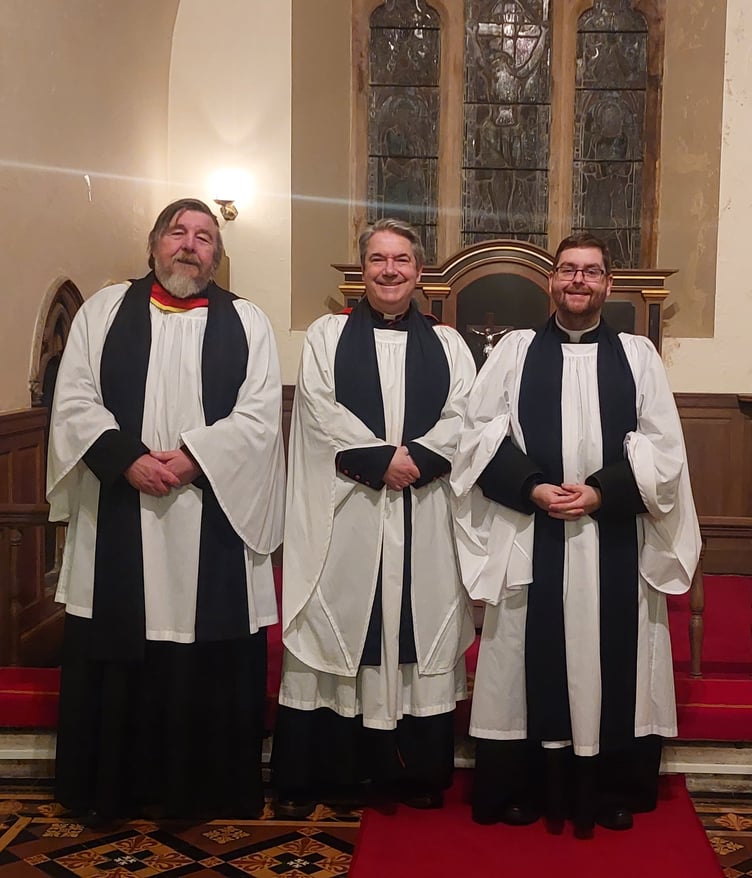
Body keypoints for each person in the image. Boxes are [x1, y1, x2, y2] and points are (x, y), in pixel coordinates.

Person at [451, 233, 700, 836]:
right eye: (568, 271)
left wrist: (601, 492)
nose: (578, 282)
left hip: (610, 536)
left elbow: (664, 448)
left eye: (591, 272)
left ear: (608, 285)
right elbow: (477, 432)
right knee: (523, 656)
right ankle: (526, 785)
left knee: (613, 657)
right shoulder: (515, 352)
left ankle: (609, 787)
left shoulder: (638, 356)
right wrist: (533, 485)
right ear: (552, 282)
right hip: (532, 530)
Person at [47, 198, 286, 821]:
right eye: (177, 232)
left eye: (204, 236)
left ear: (217, 254)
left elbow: (260, 417)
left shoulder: (248, 321)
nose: (189, 244)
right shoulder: (104, 311)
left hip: (210, 510)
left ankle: (204, 790)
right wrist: (128, 458)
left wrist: (192, 459)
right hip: (120, 505)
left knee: (206, 638)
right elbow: (73, 399)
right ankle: (111, 788)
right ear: (154, 243)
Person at [273, 218, 476, 815]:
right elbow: (317, 411)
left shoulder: (448, 344)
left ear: (419, 272)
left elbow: (466, 416)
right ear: (363, 269)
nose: (390, 270)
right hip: (349, 512)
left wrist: (415, 462)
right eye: (379, 259)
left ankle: (410, 775)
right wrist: (384, 461)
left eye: (402, 260)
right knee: (337, 625)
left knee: (417, 629)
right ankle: (318, 775)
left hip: (423, 511)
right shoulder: (327, 337)